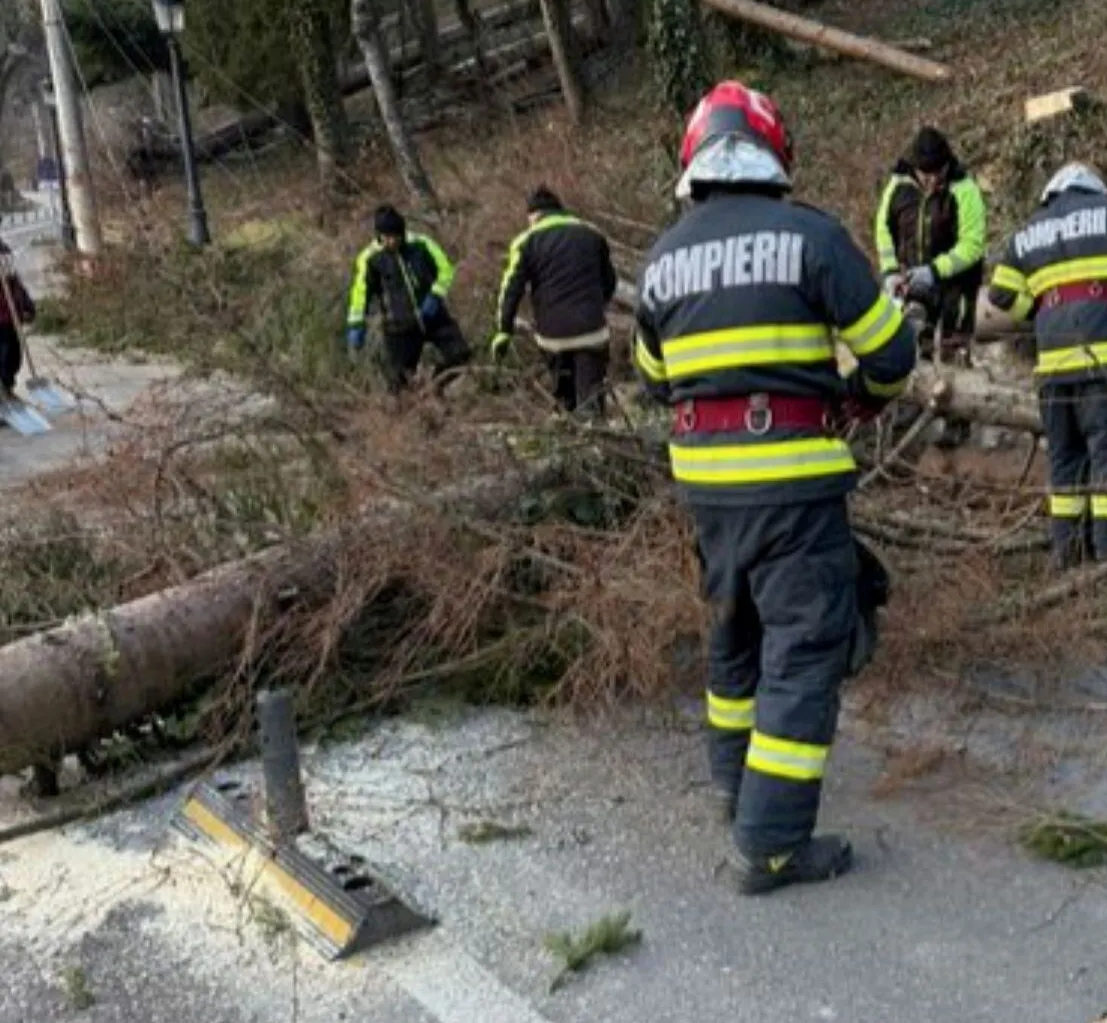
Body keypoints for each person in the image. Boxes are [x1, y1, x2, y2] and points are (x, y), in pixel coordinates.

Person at [633, 80, 916, 896]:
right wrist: (858, 400)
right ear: (772, 154)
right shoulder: (812, 240)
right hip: (793, 488)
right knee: (805, 648)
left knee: (735, 637)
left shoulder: (660, 262)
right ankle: (772, 845)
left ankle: (734, 790)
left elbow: (657, 381)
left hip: (708, 495)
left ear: (695, 164)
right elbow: (892, 356)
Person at [987, 162, 1107, 569]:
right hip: (1104, 363)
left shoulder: (1028, 234)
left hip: (1053, 371)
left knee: (1064, 458)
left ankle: (1066, 553)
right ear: (1092, 189)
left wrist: (1038, 311)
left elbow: (1001, 293)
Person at [492, 186, 618, 417]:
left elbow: (511, 288)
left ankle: (567, 425)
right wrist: (597, 306)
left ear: (534, 216)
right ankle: (597, 435)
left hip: (552, 336)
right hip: (592, 329)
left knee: (564, 398)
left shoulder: (526, 241)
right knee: (591, 395)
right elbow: (609, 281)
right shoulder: (592, 233)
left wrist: (504, 330)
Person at [873, 126, 988, 364]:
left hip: (957, 287)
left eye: (939, 173)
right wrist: (890, 271)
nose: (933, 181)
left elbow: (973, 244)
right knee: (915, 350)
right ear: (915, 169)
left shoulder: (964, 189)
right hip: (914, 282)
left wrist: (935, 271)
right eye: (927, 175)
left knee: (954, 353)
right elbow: (884, 229)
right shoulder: (898, 186)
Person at [344, 205, 472, 396]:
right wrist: (356, 323)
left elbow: (446, 270)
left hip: (433, 316)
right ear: (379, 236)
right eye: (387, 237)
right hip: (399, 327)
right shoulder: (370, 258)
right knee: (400, 386)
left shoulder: (421, 244)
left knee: (461, 354)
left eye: (396, 236)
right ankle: (408, 416)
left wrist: (435, 295)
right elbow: (360, 293)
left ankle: (435, 385)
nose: (392, 241)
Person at [0, 239, 36, 400]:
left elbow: (18, 287)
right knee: (3, 357)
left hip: (11, 320)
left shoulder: (4, 251)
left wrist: (27, 307)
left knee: (13, 357)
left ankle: (7, 389)